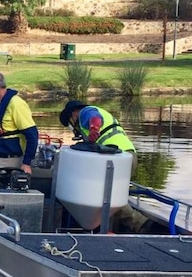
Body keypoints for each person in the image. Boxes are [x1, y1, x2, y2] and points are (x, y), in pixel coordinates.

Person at [59, 99, 147, 231]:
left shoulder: (85, 112)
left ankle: (141, 225)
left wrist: (94, 128)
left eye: (69, 124)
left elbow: (94, 117)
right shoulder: (96, 116)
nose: (72, 128)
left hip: (116, 160)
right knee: (107, 196)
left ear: (72, 115)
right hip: (125, 157)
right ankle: (107, 228)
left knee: (105, 198)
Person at [0, 71, 39, 191]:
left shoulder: (16, 104)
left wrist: (26, 163)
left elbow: (32, 135)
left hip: (11, 159)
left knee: (11, 191)